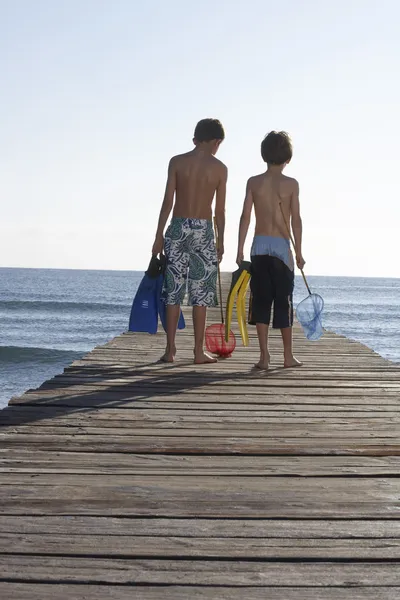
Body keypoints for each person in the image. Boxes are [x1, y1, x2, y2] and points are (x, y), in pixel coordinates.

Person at [152, 118, 227, 364]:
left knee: (173, 291)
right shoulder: (220, 168)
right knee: (201, 294)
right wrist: (221, 240)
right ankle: (197, 352)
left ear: (196, 138)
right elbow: (220, 211)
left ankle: (170, 350)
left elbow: (167, 202)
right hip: (203, 230)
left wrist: (157, 237)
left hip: (178, 227)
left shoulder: (177, 162)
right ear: (216, 141)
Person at [236, 131, 305, 369]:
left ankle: (264, 357)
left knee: (261, 301)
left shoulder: (254, 182)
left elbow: (245, 217)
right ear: (288, 157)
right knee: (284, 302)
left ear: (264, 155)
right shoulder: (291, 184)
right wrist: (299, 252)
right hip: (280, 247)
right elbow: (296, 219)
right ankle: (287, 356)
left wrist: (239, 248)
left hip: (259, 246)